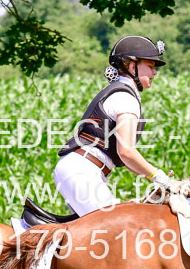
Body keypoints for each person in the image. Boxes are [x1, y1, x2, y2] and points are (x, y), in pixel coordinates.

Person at [54, 36, 174, 215]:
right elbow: (126, 151)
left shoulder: (122, 93)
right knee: (115, 229)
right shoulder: (125, 98)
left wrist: (153, 178)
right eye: (150, 66)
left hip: (83, 170)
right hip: (82, 171)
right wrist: (157, 175)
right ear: (132, 67)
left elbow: (126, 159)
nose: (154, 72)